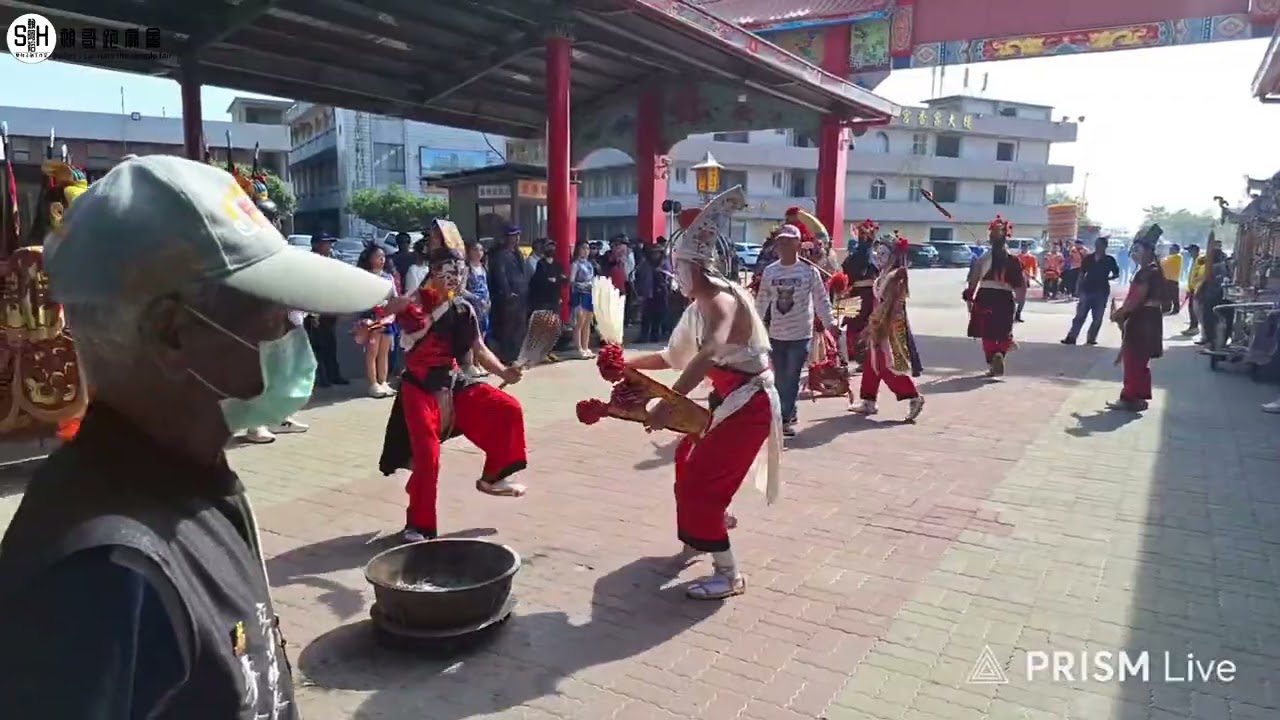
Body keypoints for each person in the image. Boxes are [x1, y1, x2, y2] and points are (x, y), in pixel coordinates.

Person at [0, 156, 395, 718]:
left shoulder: (191, 480)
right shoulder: (100, 577)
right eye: (273, 311)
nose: (292, 330)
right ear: (173, 334)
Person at [623, 188, 780, 600]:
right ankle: (699, 534)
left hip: (749, 405)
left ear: (694, 268)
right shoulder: (698, 308)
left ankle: (729, 573)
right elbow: (673, 357)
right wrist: (626, 364)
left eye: (680, 267)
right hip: (729, 402)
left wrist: (669, 403)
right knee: (685, 461)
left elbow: (709, 353)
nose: (675, 274)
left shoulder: (724, 301)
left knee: (702, 486)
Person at [379, 237, 528, 543]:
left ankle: (493, 477)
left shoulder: (463, 309)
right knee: (428, 458)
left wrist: (504, 372)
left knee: (507, 408)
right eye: (448, 271)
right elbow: (386, 311)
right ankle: (418, 525)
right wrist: (398, 304)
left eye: (459, 272)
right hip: (419, 387)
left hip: (452, 382)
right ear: (434, 271)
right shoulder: (416, 303)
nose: (455, 277)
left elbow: (479, 348)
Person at [754, 224, 836, 436]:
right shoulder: (771, 271)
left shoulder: (809, 271)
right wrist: (753, 326)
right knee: (780, 378)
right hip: (776, 334)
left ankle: (783, 419)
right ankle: (789, 413)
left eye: (788, 241)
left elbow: (821, 299)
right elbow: (762, 301)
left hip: (800, 334)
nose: (783, 245)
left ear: (798, 245)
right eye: (780, 241)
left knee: (791, 376)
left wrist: (830, 323)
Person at [850, 267, 924, 421]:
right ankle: (868, 400)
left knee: (885, 367)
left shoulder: (895, 279)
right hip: (883, 326)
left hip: (887, 331)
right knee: (871, 367)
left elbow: (888, 307)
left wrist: (874, 326)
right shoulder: (887, 274)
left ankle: (913, 395)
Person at [964, 216, 1026, 377]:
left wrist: (969, 299)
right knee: (1004, 331)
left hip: (986, 296)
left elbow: (973, 280)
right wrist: (1020, 305)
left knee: (987, 331)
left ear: (990, 240)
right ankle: (1000, 353)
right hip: (1005, 297)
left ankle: (992, 359)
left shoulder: (983, 259)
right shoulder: (1014, 260)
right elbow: (1021, 286)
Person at [1109, 232, 1165, 412]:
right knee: (1141, 362)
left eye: (1137, 249)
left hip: (1142, 320)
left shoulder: (1145, 273)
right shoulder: (1155, 271)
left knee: (1133, 361)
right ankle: (1139, 397)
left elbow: (1134, 301)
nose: (1134, 253)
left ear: (1148, 251)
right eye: (1133, 249)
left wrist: (1119, 313)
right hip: (1151, 319)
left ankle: (1129, 398)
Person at [304, 233, 349, 387]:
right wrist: (312, 313)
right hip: (313, 310)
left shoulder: (331, 261)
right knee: (316, 345)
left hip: (329, 309)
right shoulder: (309, 262)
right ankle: (320, 377)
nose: (329, 246)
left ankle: (333, 374)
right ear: (316, 244)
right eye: (325, 243)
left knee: (330, 343)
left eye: (330, 243)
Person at [356, 245, 400, 397]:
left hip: (386, 318)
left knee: (384, 352)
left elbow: (394, 296)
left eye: (383, 257)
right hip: (371, 318)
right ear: (370, 259)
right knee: (372, 352)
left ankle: (383, 381)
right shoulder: (364, 276)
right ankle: (373, 383)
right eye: (378, 257)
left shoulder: (388, 277)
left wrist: (390, 308)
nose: (382, 260)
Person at [1061, 236, 1119, 346]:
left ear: (1105, 246)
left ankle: (1091, 338)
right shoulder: (1089, 258)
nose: (1098, 247)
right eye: (1097, 244)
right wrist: (1078, 288)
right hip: (1087, 289)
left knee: (1097, 317)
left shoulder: (1109, 260)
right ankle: (1072, 337)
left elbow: (1116, 274)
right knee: (1080, 315)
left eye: (1100, 245)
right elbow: (1081, 274)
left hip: (1102, 290)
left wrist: (1106, 278)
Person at [839, 219, 881, 369]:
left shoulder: (874, 256)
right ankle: (859, 358)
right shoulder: (855, 255)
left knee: (867, 327)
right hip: (855, 294)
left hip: (869, 295)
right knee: (853, 328)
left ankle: (867, 359)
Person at [488, 226, 531, 363]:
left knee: (520, 327)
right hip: (509, 297)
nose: (516, 238)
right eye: (513, 236)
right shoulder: (500, 255)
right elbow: (500, 275)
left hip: (522, 295)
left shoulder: (518, 253)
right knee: (508, 328)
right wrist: (507, 292)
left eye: (518, 235)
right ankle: (507, 356)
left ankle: (517, 354)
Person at [635, 241, 672, 343]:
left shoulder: (664, 263)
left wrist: (662, 274)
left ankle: (655, 336)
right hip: (648, 293)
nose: (655, 255)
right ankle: (643, 336)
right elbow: (640, 277)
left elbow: (669, 276)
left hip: (660, 293)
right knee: (646, 316)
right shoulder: (645, 264)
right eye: (653, 253)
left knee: (658, 316)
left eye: (657, 253)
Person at [570, 241, 597, 357]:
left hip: (589, 294)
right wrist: (583, 285)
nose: (586, 251)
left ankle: (586, 346)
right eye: (583, 248)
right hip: (580, 294)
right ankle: (579, 348)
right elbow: (571, 281)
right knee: (579, 322)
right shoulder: (575, 264)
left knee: (588, 322)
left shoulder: (589, 264)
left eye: (587, 249)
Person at [529, 240, 568, 315]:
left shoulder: (558, 265)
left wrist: (555, 280)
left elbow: (564, 280)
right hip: (543, 300)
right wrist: (554, 280)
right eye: (548, 247)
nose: (551, 249)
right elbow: (540, 280)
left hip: (555, 299)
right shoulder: (540, 264)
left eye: (553, 247)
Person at [1184, 244, 1205, 336]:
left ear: (1195, 251)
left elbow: (1201, 274)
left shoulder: (1200, 260)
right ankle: (1192, 326)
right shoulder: (1193, 261)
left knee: (1194, 309)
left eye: (1190, 251)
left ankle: (1194, 327)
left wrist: (1196, 287)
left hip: (1197, 288)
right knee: (1191, 308)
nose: (1189, 253)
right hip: (1193, 288)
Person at [1016, 246, 1038, 322]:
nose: (1024, 249)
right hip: (1016, 278)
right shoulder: (1017, 257)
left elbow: (1035, 267)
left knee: (1022, 297)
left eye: (1026, 248)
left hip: (1025, 279)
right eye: (1023, 248)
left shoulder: (1032, 257)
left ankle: (1018, 313)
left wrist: (1034, 275)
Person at [1160, 244, 1184, 316]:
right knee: (1166, 295)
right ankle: (1166, 308)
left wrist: (1161, 258)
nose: (1170, 250)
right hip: (1166, 279)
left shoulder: (1178, 257)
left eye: (1172, 249)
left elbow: (1163, 262)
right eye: (1170, 249)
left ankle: (1176, 309)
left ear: (1177, 250)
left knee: (1174, 296)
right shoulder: (1169, 257)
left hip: (1173, 279)